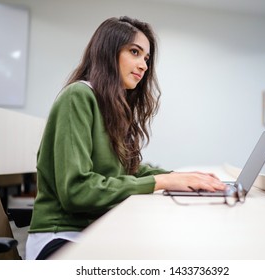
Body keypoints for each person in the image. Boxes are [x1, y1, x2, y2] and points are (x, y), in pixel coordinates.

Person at [25, 16, 226, 260]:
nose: (143, 65)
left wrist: (178, 177)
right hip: (61, 237)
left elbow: (128, 170)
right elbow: (77, 190)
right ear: (108, 52)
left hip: (95, 229)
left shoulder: (112, 107)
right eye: (135, 52)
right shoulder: (78, 96)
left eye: (146, 58)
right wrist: (161, 182)